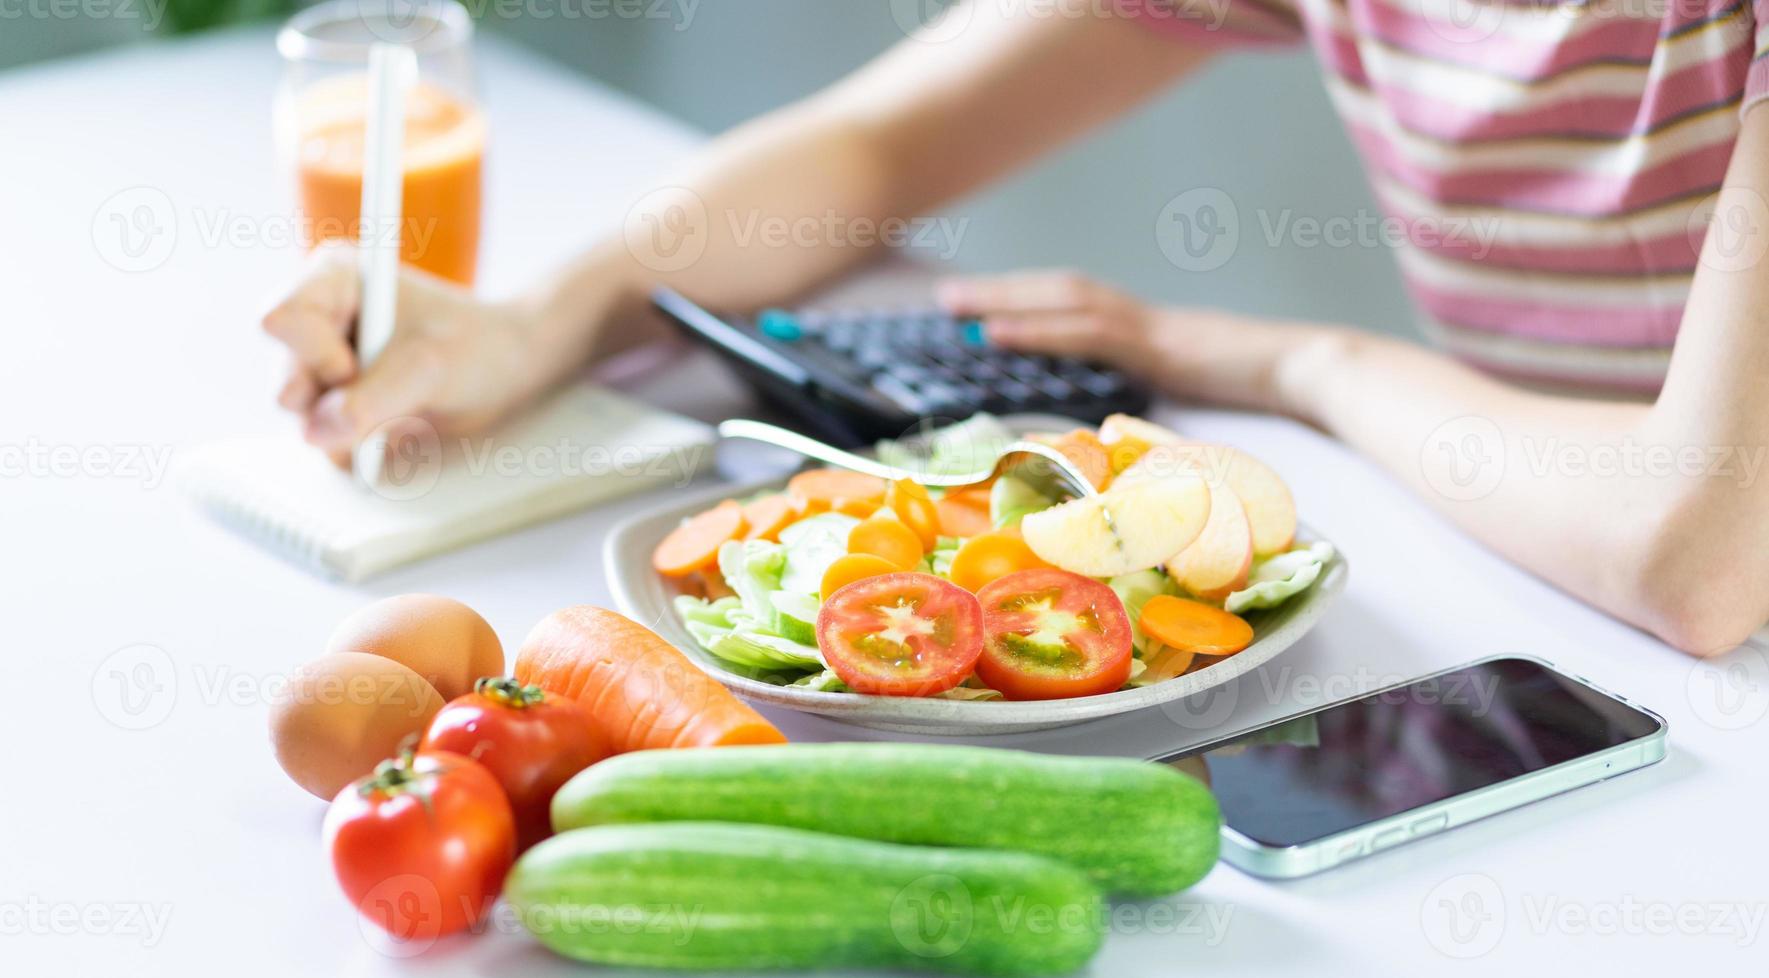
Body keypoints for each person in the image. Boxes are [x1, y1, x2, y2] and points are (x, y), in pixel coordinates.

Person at [260, 1, 1769, 656]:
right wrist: (541, 322)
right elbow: (875, 150)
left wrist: (1294, 363)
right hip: (1558, 592)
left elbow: (1694, 549)